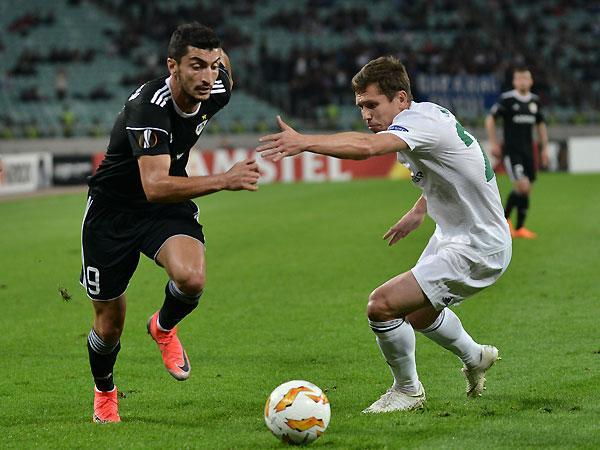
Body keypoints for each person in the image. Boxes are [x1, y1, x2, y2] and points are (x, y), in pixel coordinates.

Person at [257, 56, 512, 413]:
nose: (366, 115)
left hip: (477, 246)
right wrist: (419, 209)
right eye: (361, 106)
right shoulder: (428, 116)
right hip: (455, 235)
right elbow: (456, 167)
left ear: (401, 99)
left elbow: (366, 148)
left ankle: (408, 392)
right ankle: (476, 357)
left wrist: (305, 141)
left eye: (372, 105)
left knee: (382, 306)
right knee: (418, 314)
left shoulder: (417, 124)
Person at [80, 22, 260, 423]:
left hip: (163, 209)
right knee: (109, 327)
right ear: (172, 66)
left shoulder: (216, 88)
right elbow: (155, 186)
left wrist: (216, 57)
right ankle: (105, 390)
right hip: (113, 214)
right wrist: (224, 179)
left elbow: (226, 73)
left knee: (192, 278)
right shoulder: (149, 107)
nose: (208, 76)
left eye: (212, 66)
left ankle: (162, 327)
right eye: (196, 65)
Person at [485, 67, 549, 239]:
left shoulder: (535, 101)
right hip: (512, 152)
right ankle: (503, 220)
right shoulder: (507, 99)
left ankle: (520, 228)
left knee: (527, 191)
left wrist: (545, 148)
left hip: (529, 152)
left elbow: (541, 125)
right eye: (519, 78)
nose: (522, 81)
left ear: (531, 81)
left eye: (525, 78)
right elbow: (490, 119)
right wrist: (493, 143)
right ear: (514, 82)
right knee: (523, 186)